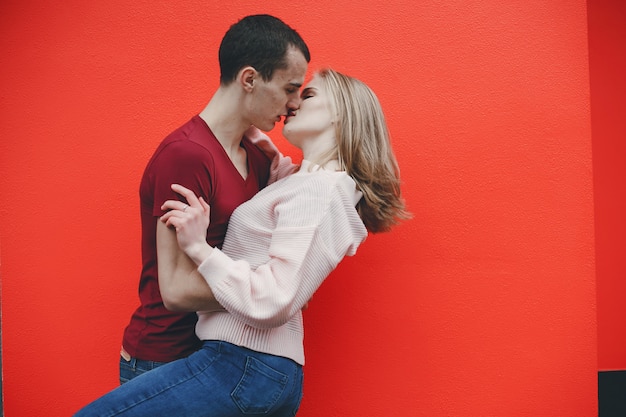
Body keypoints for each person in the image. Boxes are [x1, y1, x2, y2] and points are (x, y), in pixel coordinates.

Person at [74, 68, 410, 417]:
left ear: (342, 112)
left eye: (308, 95)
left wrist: (199, 249)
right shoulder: (304, 183)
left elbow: (276, 298)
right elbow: (280, 178)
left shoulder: (321, 191)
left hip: (242, 362)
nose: (293, 103)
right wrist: (244, 121)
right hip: (253, 367)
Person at [118, 14, 310, 384]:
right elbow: (175, 291)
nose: (294, 105)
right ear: (250, 79)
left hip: (221, 355)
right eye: (289, 88)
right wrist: (276, 294)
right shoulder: (187, 155)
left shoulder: (256, 157)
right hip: (165, 358)